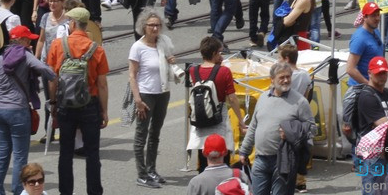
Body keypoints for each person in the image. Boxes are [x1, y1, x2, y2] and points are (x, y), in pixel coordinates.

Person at [46, 7, 109, 195]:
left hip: (65, 104)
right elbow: (103, 84)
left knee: (65, 153)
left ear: (72, 24)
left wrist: (53, 103)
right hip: (89, 104)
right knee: (92, 153)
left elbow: (53, 80)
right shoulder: (96, 49)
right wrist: (104, 111)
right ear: (86, 24)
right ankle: (94, 191)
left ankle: (66, 192)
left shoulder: (58, 45)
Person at [0, 25, 55, 195]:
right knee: (20, 156)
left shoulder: (0, 58)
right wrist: (53, 75)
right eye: (26, 39)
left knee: (3, 153)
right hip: (18, 110)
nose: (28, 42)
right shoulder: (25, 55)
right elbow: (42, 68)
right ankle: (18, 191)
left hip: (0, 111)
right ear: (19, 40)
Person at [239, 62, 314, 195]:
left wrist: (292, 132)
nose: (286, 80)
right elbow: (253, 127)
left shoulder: (300, 102)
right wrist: (244, 151)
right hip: (260, 159)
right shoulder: (263, 98)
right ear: (272, 79)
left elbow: (312, 129)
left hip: (284, 160)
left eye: (288, 77)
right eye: (282, 77)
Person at [128, 10, 176, 188]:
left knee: (155, 134)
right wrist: (138, 100)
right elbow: (132, 75)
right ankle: (141, 174)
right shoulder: (138, 47)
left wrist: (170, 61)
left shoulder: (162, 43)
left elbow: (165, 64)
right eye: (151, 25)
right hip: (146, 94)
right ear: (144, 27)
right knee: (141, 135)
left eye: (157, 25)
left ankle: (151, 170)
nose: (155, 28)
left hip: (162, 93)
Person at [187, 37, 247, 172]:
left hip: (200, 119)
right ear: (214, 53)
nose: (221, 55)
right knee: (221, 153)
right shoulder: (223, 71)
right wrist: (241, 121)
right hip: (218, 118)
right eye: (219, 52)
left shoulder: (193, 71)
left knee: (204, 153)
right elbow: (232, 99)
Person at [352, 56, 388, 194]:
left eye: (384, 73)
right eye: (378, 73)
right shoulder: (367, 97)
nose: (382, 76)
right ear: (370, 73)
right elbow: (384, 125)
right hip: (374, 157)